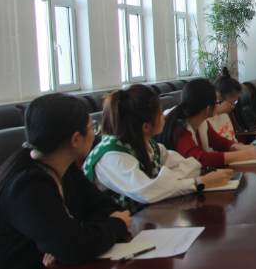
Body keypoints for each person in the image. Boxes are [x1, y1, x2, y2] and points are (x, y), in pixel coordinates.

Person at [0, 94, 131, 269]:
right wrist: (116, 224)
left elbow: (105, 207)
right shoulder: (27, 187)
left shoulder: (63, 168)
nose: (95, 132)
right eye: (92, 127)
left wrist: (68, 239)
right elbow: (75, 249)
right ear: (75, 140)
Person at [82, 85, 233, 213]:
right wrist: (200, 182)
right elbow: (148, 192)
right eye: (159, 113)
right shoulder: (112, 156)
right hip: (111, 232)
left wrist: (165, 183)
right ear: (145, 127)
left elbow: (192, 165)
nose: (163, 116)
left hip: (141, 220)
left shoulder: (148, 145)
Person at [156, 78, 256, 167]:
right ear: (208, 109)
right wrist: (248, 154)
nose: (219, 103)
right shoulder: (178, 128)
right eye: (217, 101)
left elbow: (220, 143)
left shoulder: (201, 123)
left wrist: (242, 148)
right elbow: (200, 158)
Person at [208, 67, 240, 141]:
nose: (233, 107)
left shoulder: (225, 116)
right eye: (232, 102)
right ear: (219, 98)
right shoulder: (207, 121)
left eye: (235, 102)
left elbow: (233, 140)